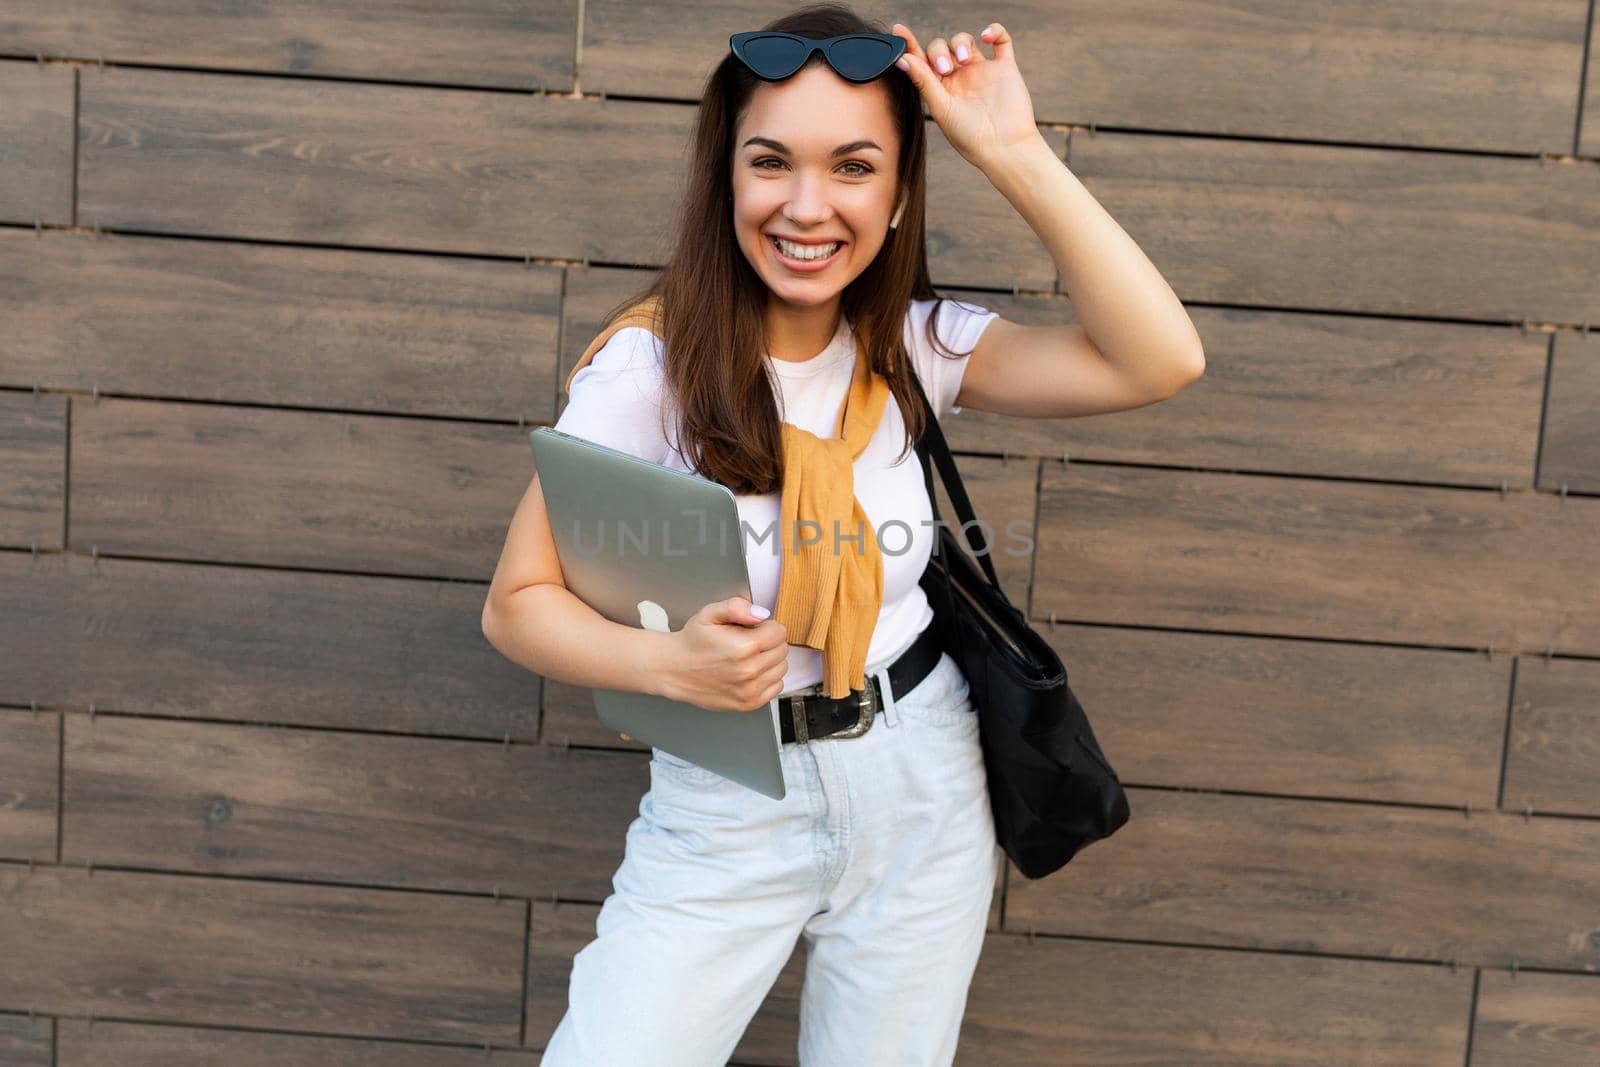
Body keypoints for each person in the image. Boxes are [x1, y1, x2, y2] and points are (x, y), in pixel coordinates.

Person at [481, 4, 1206, 1064]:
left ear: (900, 188)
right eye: (770, 161)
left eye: (854, 166)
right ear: (725, 174)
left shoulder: (912, 345)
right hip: (730, 795)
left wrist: (1009, 152)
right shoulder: (649, 368)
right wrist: (665, 662)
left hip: (923, 779)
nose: (806, 206)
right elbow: (516, 602)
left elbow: (1158, 361)